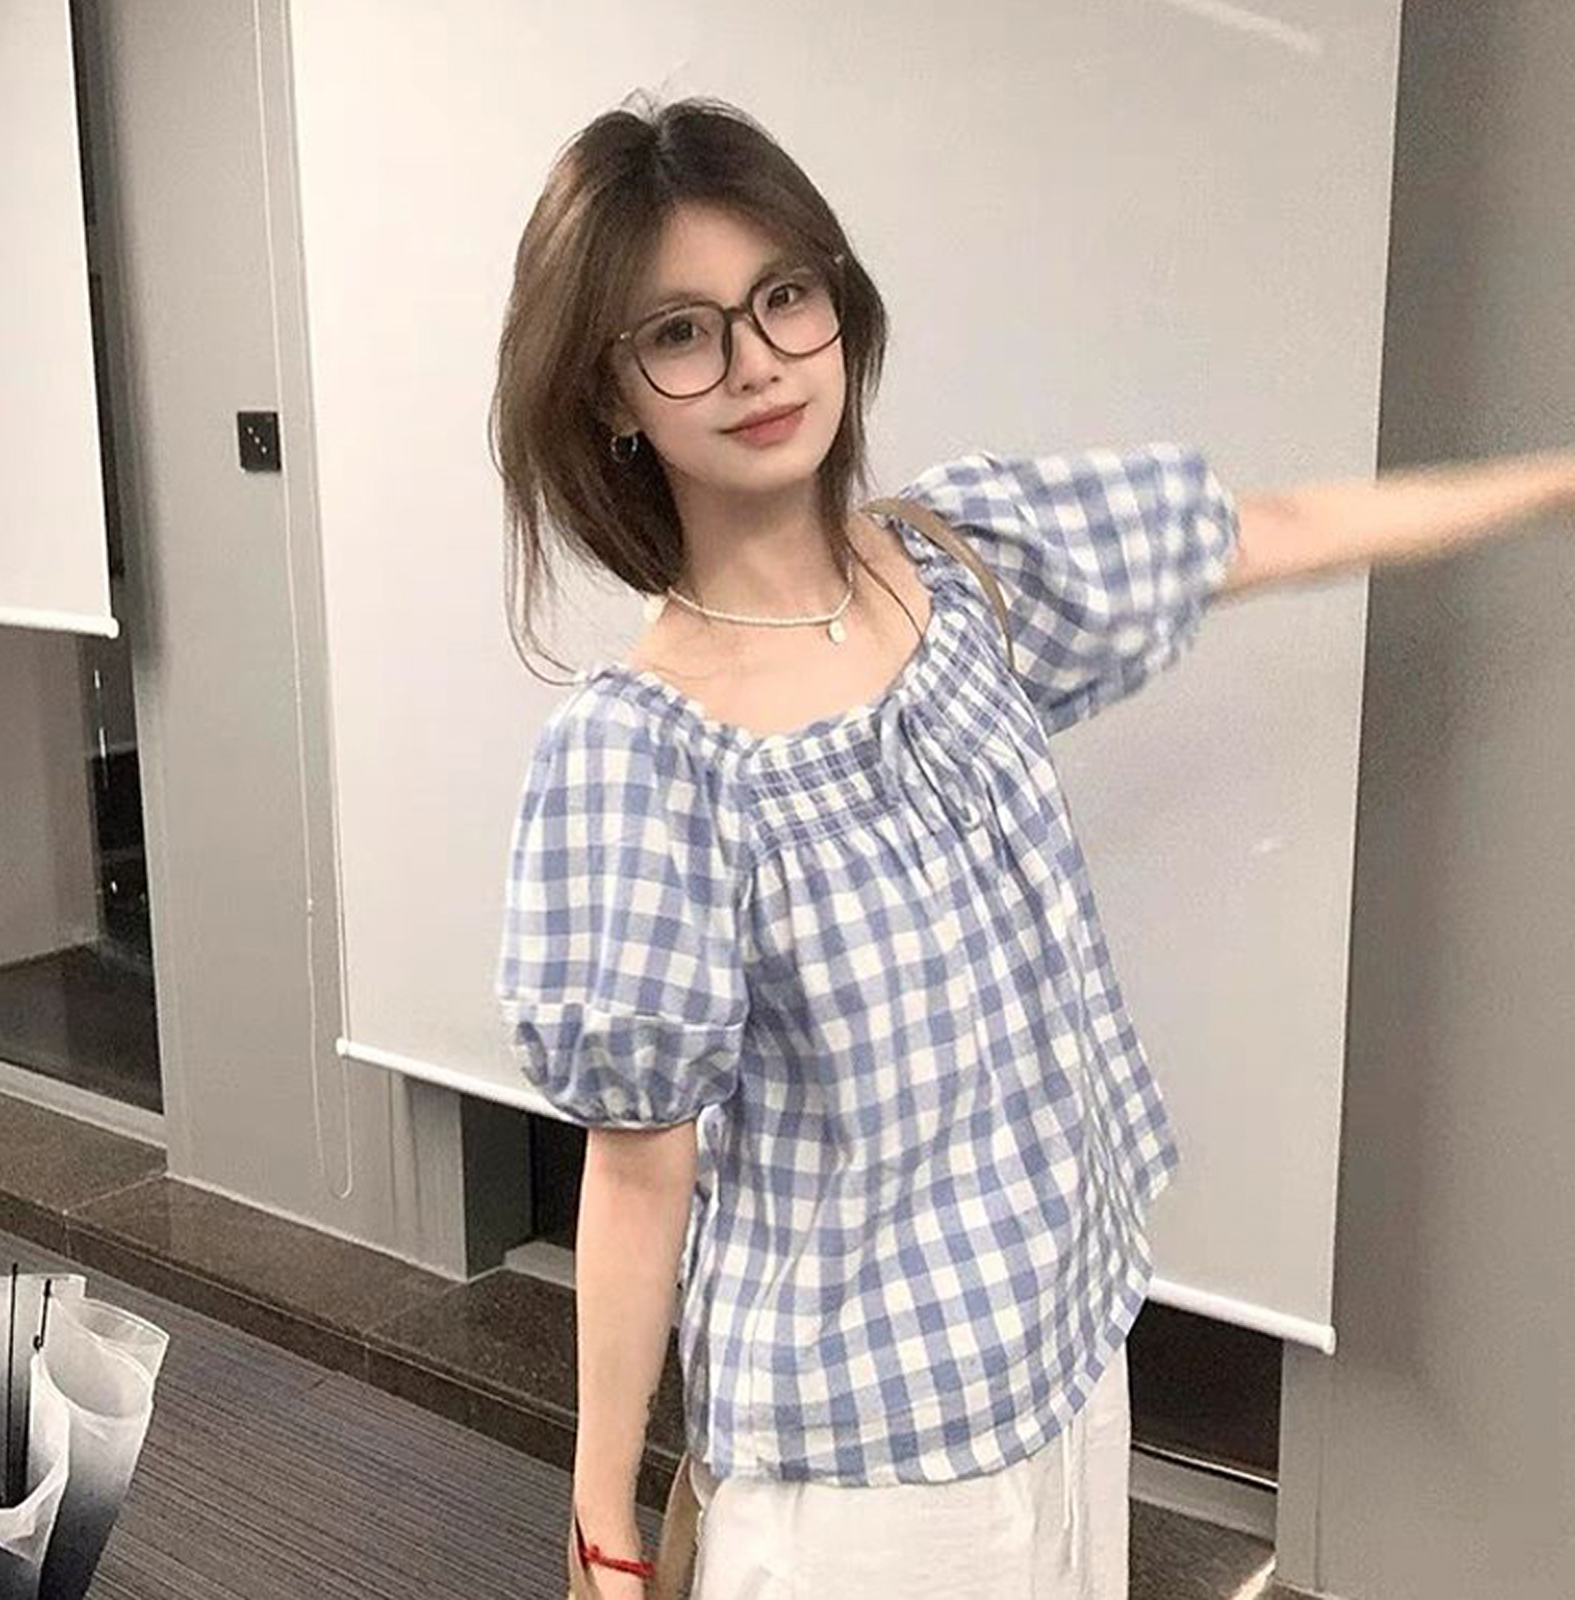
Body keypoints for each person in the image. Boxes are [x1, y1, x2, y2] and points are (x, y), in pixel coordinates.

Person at [488, 92, 1575, 1600]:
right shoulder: (644, 758)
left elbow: (1258, 532)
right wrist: (605, 1521)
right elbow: (635, 1170)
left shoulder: (961, 568)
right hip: (864, 1471)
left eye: (784, 296)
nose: (755, 362)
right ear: (610, 392)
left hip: (1066, 1366)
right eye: (682, 332)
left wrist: (1555, 482)